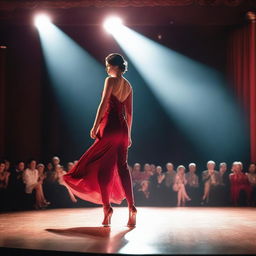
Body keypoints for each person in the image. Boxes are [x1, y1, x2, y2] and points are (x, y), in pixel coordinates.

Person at [63, 53, 137, 227]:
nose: (107, 68)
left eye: (108, 65)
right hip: (123, 131)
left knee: (104, 168)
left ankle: (107, 209)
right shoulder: (128, 86)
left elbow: (103, 104)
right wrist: (130, 135)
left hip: (109, 127)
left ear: (115, 66)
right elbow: (130, 113)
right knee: (123, 167)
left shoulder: (110, 80)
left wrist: (95, 126)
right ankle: (132, 207)